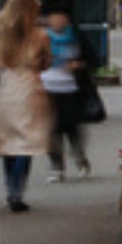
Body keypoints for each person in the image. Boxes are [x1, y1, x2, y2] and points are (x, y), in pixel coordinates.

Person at [0, 0, 54, 214]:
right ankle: (17, 192)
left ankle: (9, 190)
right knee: (26, 143)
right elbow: (45, 63)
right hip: (30, 87)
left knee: (8, 142)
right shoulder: (39, 35)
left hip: (6, 87)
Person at [39, 9, 92, 181]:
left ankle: (80, 158)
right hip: (47, 87)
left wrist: (79, 65)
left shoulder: (76, 36)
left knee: (72, 128)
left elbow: (92, 58)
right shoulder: (41, 37)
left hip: (71, 88)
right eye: (53, 17)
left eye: (61, 17)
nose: (57, 21)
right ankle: (56, 167)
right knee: (50, 129)